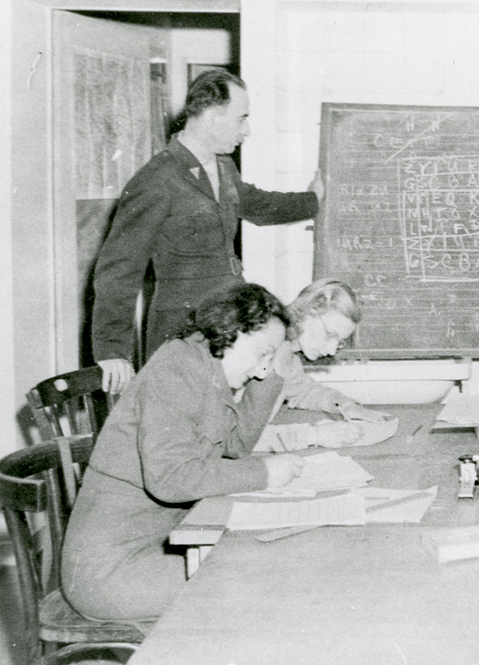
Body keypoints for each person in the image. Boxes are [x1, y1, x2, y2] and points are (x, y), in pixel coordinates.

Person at [62, 283, 306, 625]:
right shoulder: (178, 371)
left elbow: (234, 447)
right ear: (229, 331)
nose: (262, 369)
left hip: (160, 544)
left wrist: (276, 367)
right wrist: (264, 473)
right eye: (262, 354)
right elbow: (171, 479)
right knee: (263, 582)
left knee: (267, 564)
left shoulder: (205, 367)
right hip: (113, 572)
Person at [91, 69, 323, 395]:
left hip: (230, 322)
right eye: (241, 118)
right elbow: (119, 269)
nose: (248, 129)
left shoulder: (222, 166)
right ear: (213, 117)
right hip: (184, 331)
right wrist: (112, 349)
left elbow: (256, 203)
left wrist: (312, 200)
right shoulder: (156, 180)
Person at [257, 279, 391, 450]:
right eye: (330, 335)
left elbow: (305, 392)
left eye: (339, 342)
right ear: (308, 310)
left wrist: (345, 405)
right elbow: (234, 438)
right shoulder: (262, 353)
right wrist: (314, 435)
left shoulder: (287, 353)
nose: (332, 350)